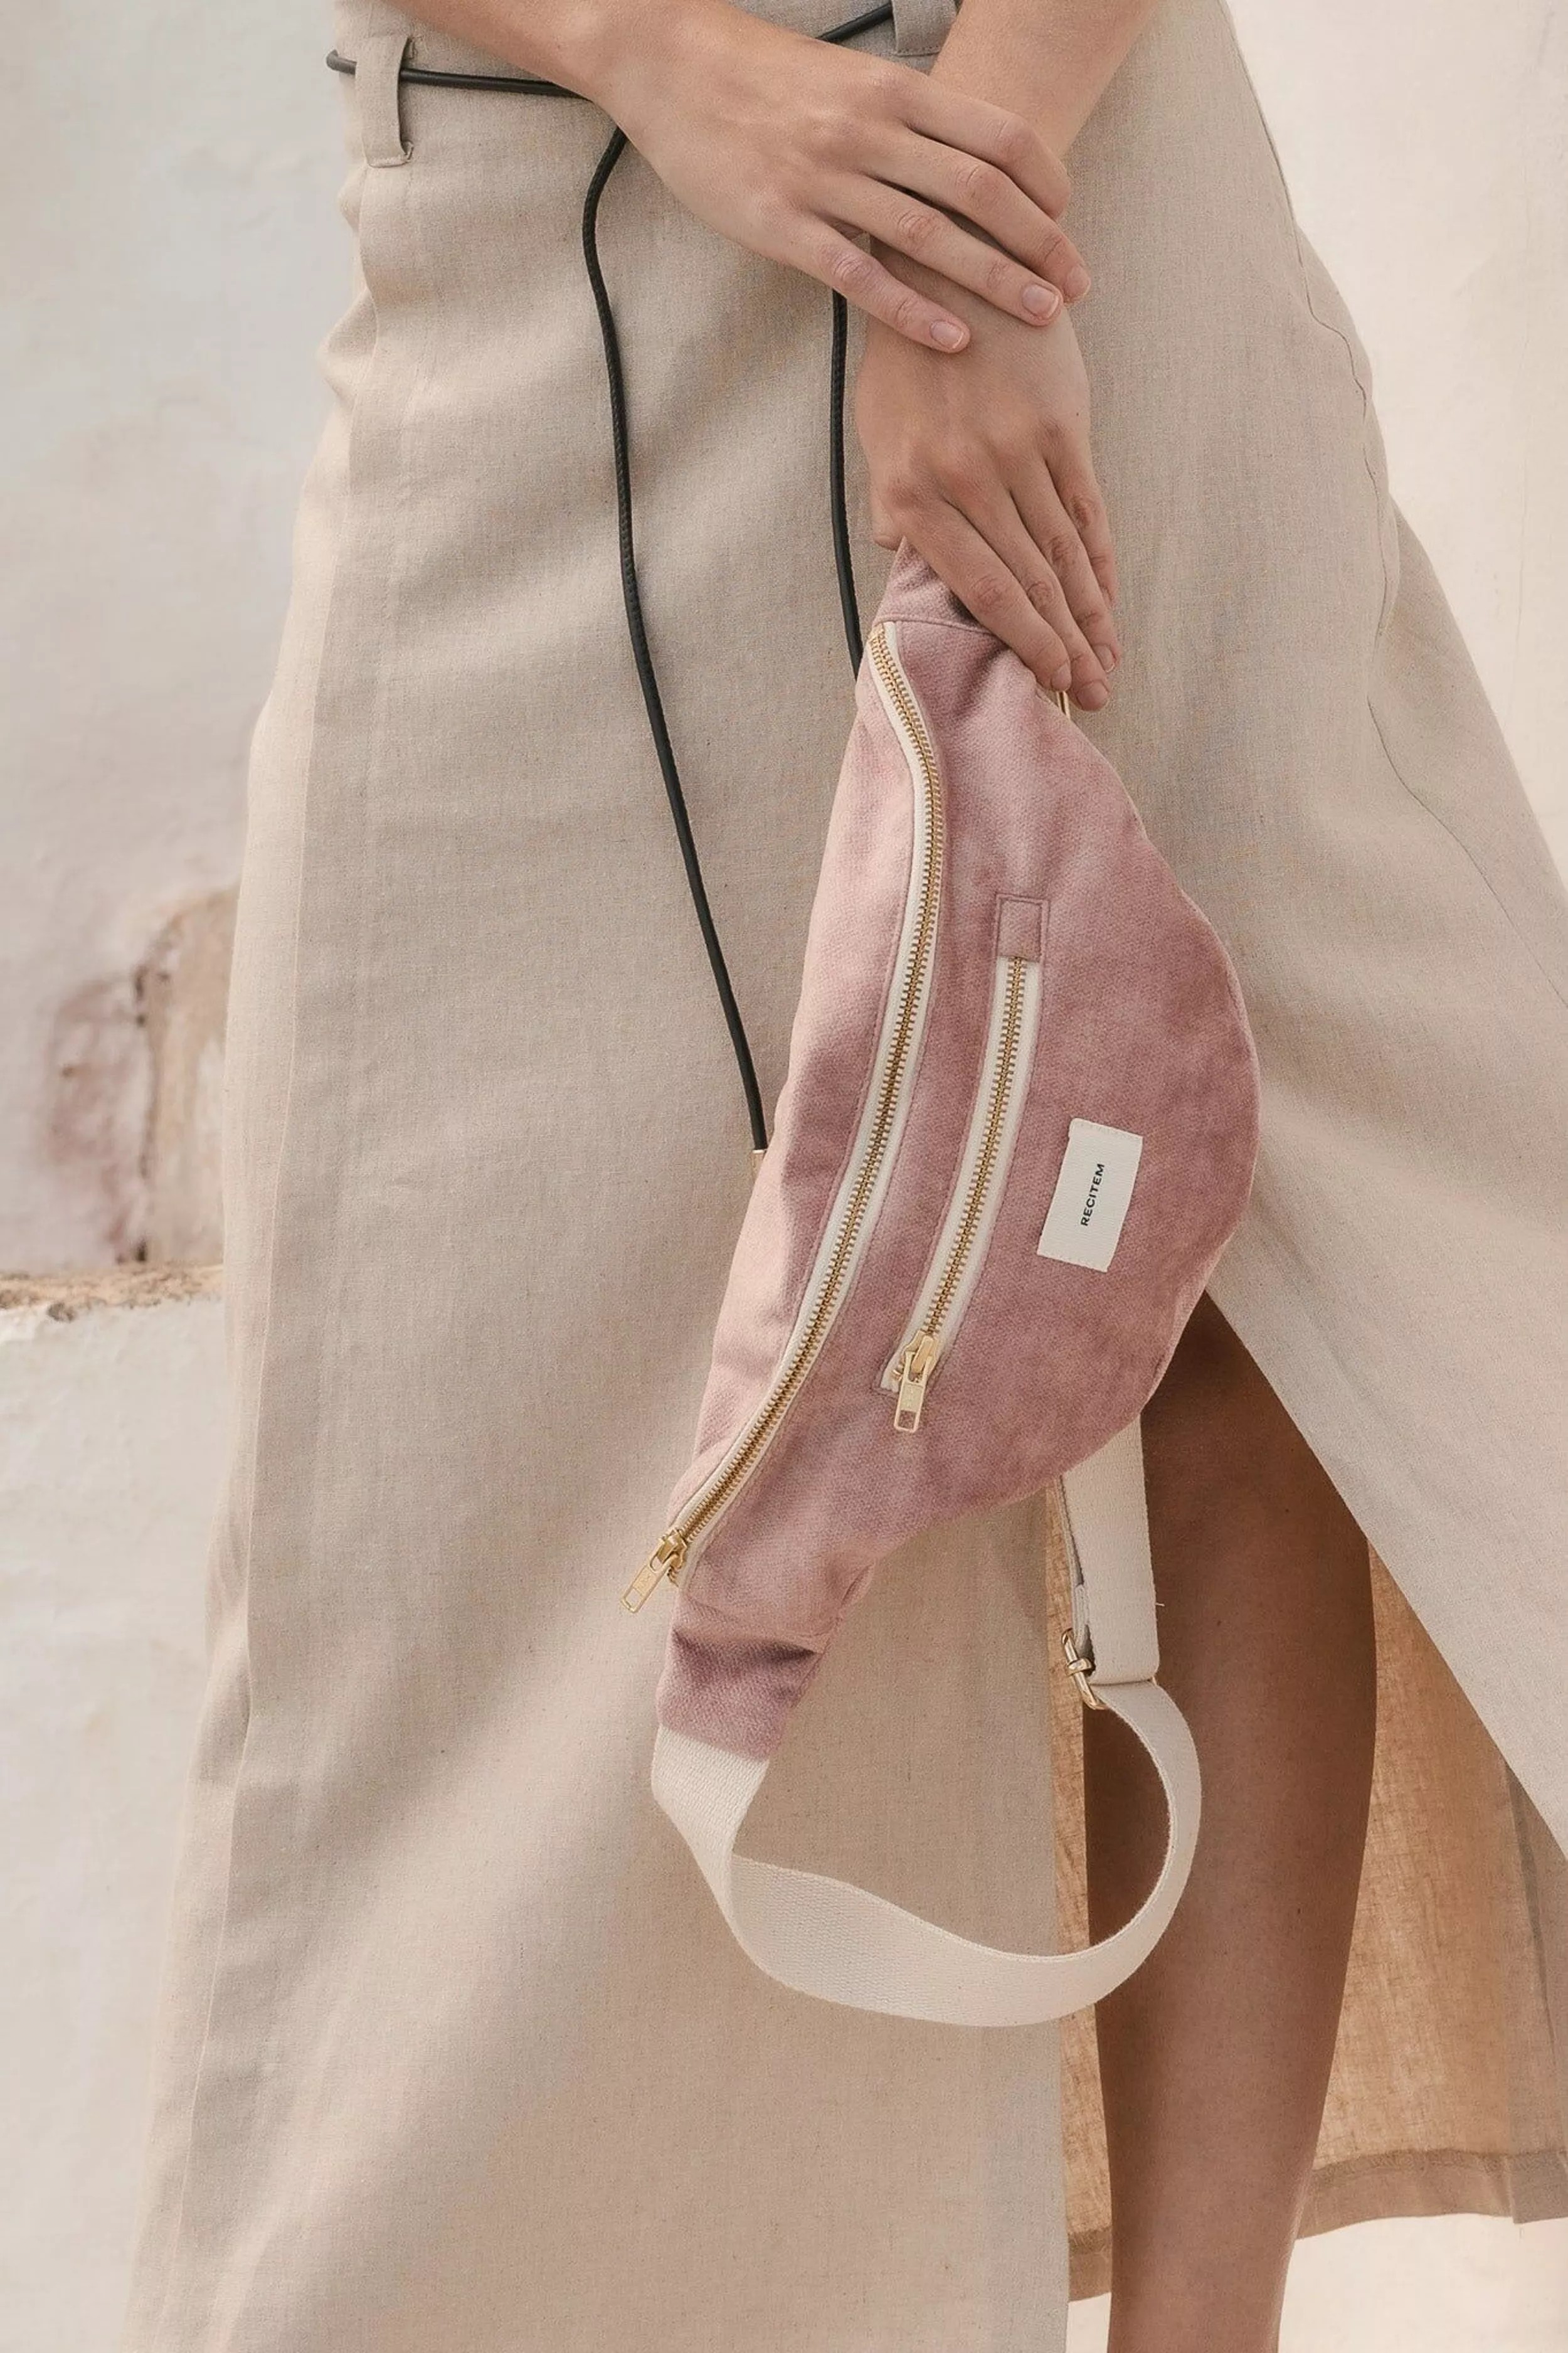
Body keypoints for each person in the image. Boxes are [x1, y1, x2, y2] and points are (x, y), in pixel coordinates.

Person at [122, 0, 1568, 2346]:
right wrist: (646, 49)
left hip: (1069, 208)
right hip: (537, 240)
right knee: (452, 1419)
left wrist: (971, 217)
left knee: (1225, 1250)